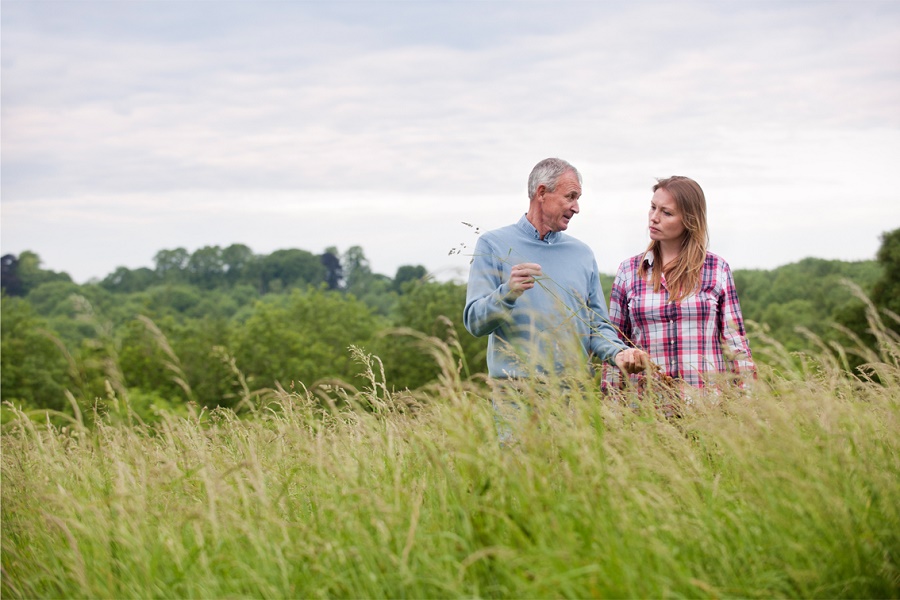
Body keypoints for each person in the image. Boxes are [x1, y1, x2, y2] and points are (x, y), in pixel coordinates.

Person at [463, 157, 648, 395]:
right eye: (570, 197)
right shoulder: (492, 244)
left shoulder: (582, 253)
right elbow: (474, 323)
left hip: (576, 393)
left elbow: (597, 325)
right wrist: (508, 292)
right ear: (541, 193)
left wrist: (617, 352)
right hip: (516, 394)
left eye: (578, 199)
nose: (576, 207)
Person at [606, 176, 756, 392]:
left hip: (707, 408)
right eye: (653, 208)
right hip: (645, 409)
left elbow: (736, 346)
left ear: (689, 220)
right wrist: (611, 407)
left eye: (666, 212)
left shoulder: (717, 269)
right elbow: (614, 346)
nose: (654, 218)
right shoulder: (628, 271)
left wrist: (749, 404)